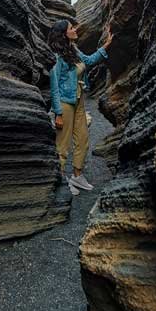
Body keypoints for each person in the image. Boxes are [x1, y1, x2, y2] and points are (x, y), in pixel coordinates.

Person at [47, 19, 112, 195]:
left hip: (79, 101)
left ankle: (77, 176)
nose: (75, 29)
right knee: (62, 145)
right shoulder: (57, 56)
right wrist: (58, 113)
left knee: (82, 140)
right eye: (71, 28)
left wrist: (106, 45)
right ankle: (59, 180)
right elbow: (54, 87)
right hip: (65, 103)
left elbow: (89, 61)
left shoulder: (73, 50)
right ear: (64, 34)